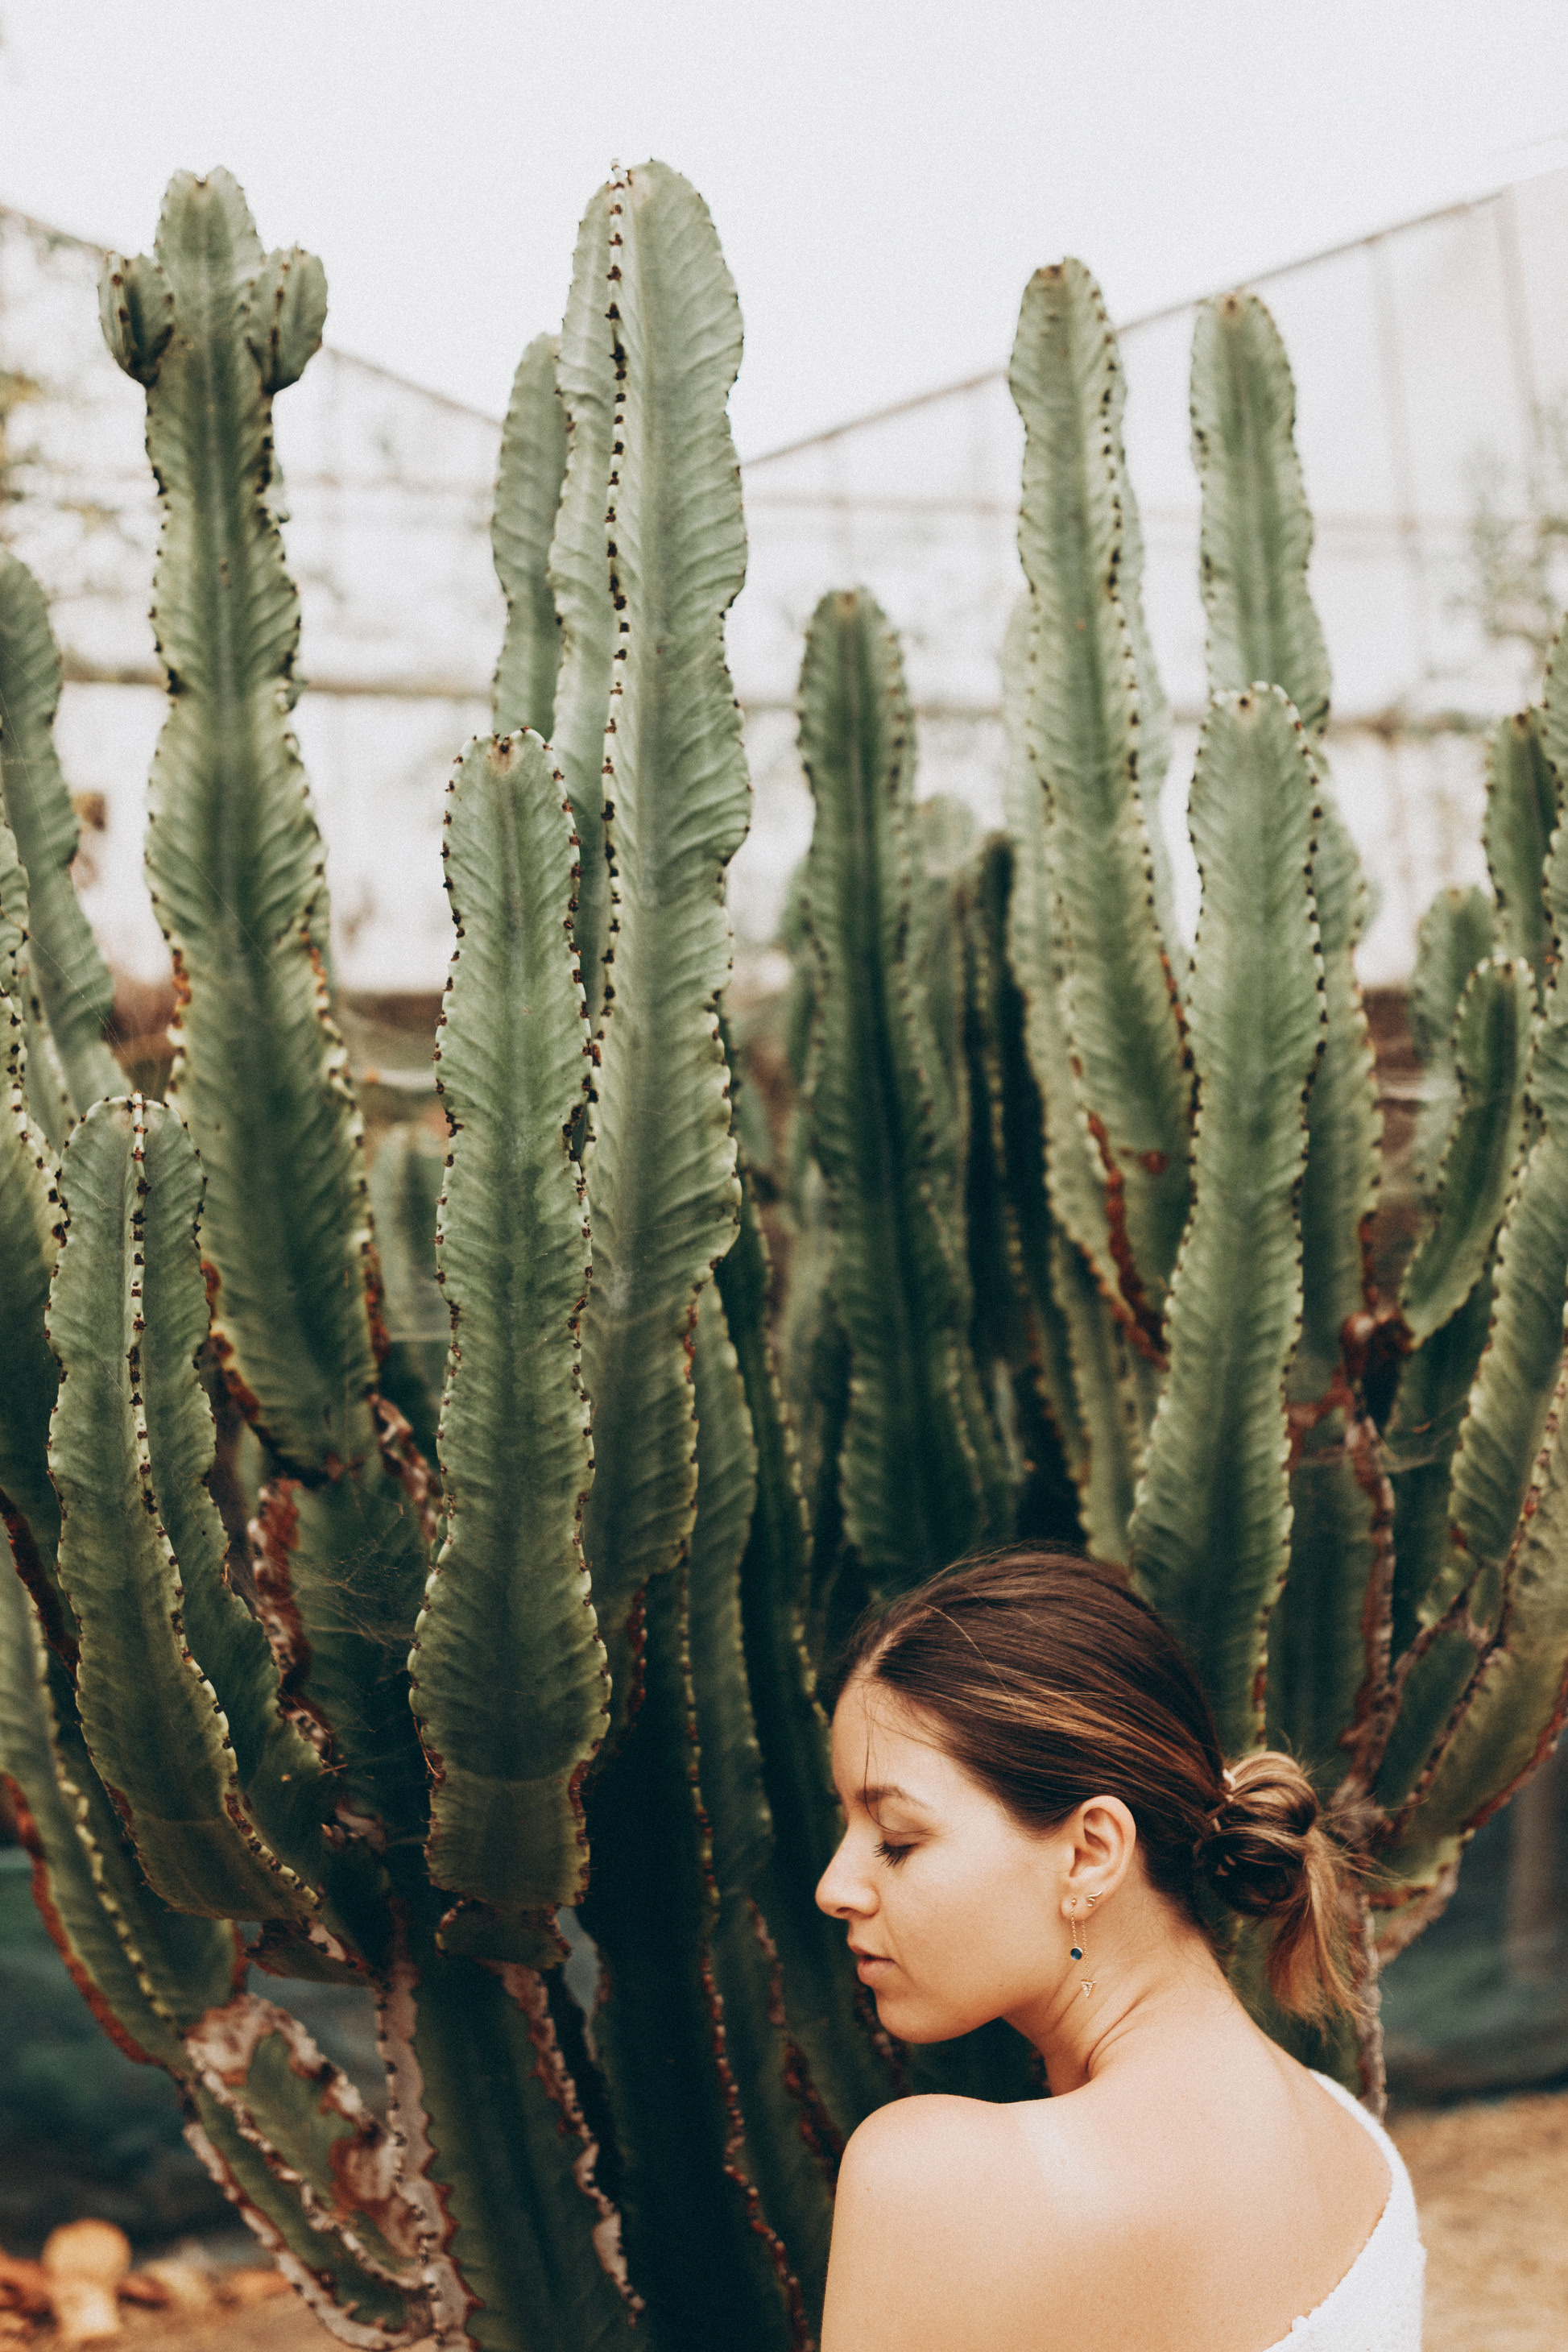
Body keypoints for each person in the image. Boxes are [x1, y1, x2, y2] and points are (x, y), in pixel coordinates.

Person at [814, 1549, 1425, 2352]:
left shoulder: (932, 2182)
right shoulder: (1356, 2147)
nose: (835, 1886)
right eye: (846, 1828)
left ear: (1090, 1852)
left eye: (897, 1839)